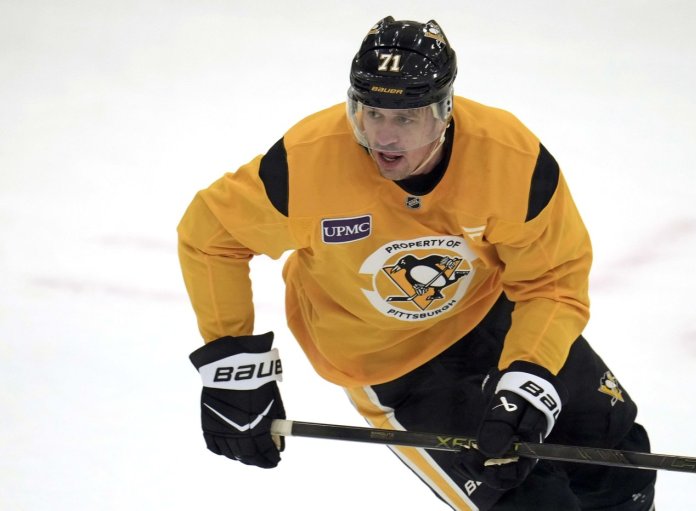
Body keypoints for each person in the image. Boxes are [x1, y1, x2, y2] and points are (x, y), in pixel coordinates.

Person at [178, 16, 657, 510]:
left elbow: (552, 282)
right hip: (391, 363)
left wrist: (530, 375)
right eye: (372, 113)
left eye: (406, 118)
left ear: (444, 112)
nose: (385, 137)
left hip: (496, 315)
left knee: (619, 466)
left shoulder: (510, 157)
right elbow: (210, 236)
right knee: (526, 503)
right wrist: (234, 365)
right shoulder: (306, 163)